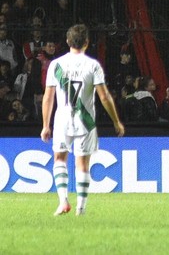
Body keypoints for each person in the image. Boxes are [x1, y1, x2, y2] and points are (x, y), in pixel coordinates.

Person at [40, 24, 125, 216]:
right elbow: (104, 97)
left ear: (68, 41)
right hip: (85, 121)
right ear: (87, 42)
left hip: (62, 118)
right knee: (83, 164)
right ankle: (81, 208)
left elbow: (48, 97)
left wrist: (46, 125)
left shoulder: (56, 65)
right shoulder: (93, 65)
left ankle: (63, 201)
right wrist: (115, 121)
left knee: (59, 158)